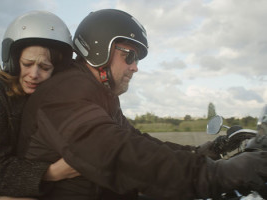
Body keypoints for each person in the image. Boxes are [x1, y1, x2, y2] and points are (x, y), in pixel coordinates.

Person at [18, 9, 267, 199]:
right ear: (99, 49)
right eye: (130, 55)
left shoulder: (97, 93)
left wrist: (203, 151)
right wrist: (222, 173)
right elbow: (122, 156)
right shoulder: (65, 93)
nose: (135, 67)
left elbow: (136, 140)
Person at [0, 11, 80, 200]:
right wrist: (54, 172)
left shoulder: (50, 97)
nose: (34, 74)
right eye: (27, 64)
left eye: (45, 68)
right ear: (13, 61)